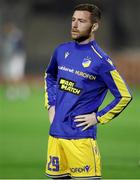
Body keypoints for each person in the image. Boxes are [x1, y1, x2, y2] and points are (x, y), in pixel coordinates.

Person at [44, 4, 132, 179]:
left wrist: (98, 117)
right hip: (55, 136)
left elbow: (124, 95)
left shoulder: (101, 61)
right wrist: (51, 104)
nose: (75, 25)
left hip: (81, 139)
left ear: (94, 26)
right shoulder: (61, 50)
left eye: (81, 21)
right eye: (73, 20)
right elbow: (50, 75)